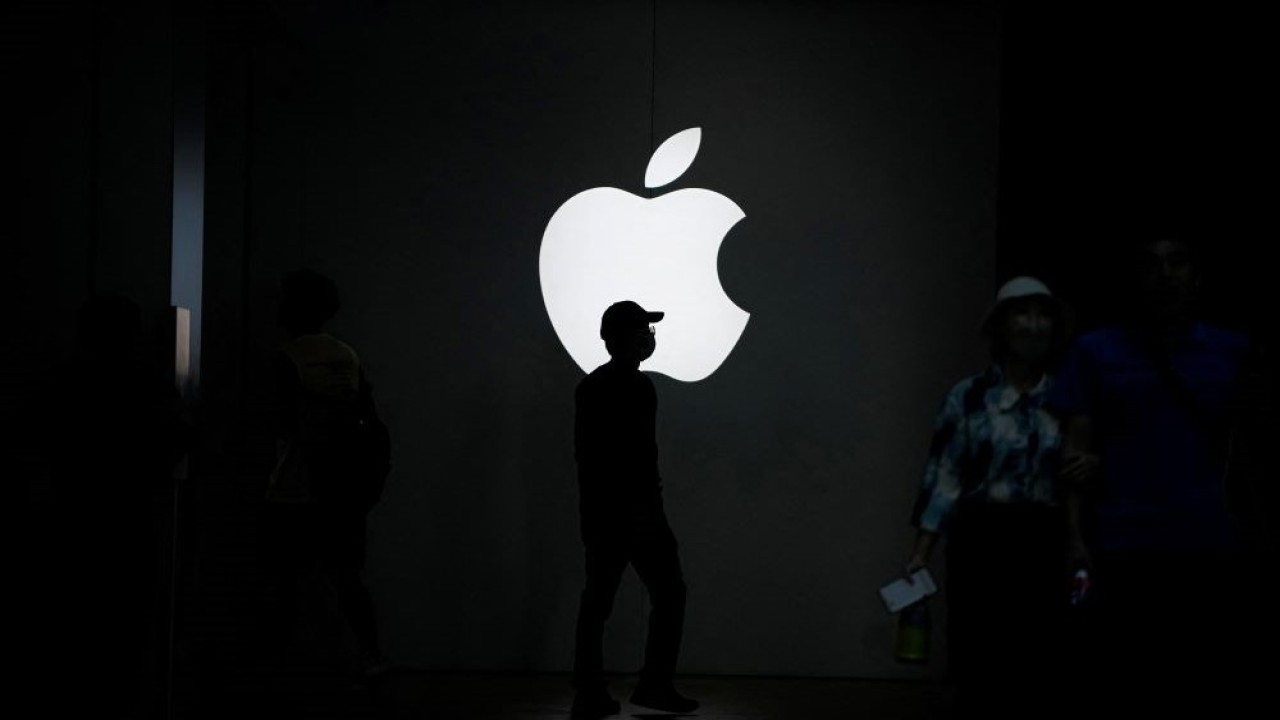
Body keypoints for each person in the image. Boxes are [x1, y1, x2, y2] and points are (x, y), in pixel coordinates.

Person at [1048, 234, 1258, 715]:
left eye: (1177, 263)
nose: (1165, 275)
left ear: (1197, 275)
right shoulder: (1096, 351)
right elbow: (1072, 453)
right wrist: (1074, 541)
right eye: (1152, 265)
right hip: (1123, 543)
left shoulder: (1231, 351)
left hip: (1207, 540)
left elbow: (1249, 448)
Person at [904, 277, 1081, 719]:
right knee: (979, 660)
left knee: (1039, 662)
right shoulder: (968, 398)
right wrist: (921, 554)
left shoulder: (1067, 399)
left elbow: (1076, 477)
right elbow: (944, 477)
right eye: (1022, 313)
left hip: (1042, 538)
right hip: (981, 537)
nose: (1033, 325)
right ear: (1000, 325)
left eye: (1043, 315)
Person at [260, 269, 389, 683]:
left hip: (293, 487)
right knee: (348, 578)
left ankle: (276, 669)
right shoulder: (346, 355)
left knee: (285, 585)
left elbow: (275, 424)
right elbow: (368, 417)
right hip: (343, 489)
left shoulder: (288, 357)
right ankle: (371, 656)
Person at [570, 301, 698, 719]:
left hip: (606, 515)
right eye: (644, 330)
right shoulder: (634, 387)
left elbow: (588, 460)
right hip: (635, 513)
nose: (650, 337)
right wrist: (647, 510)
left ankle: (592, 692)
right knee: (666, 593)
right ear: (625, 337)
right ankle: (652, 685)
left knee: (598, 603)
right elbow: (634, 458)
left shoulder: (593, 387)